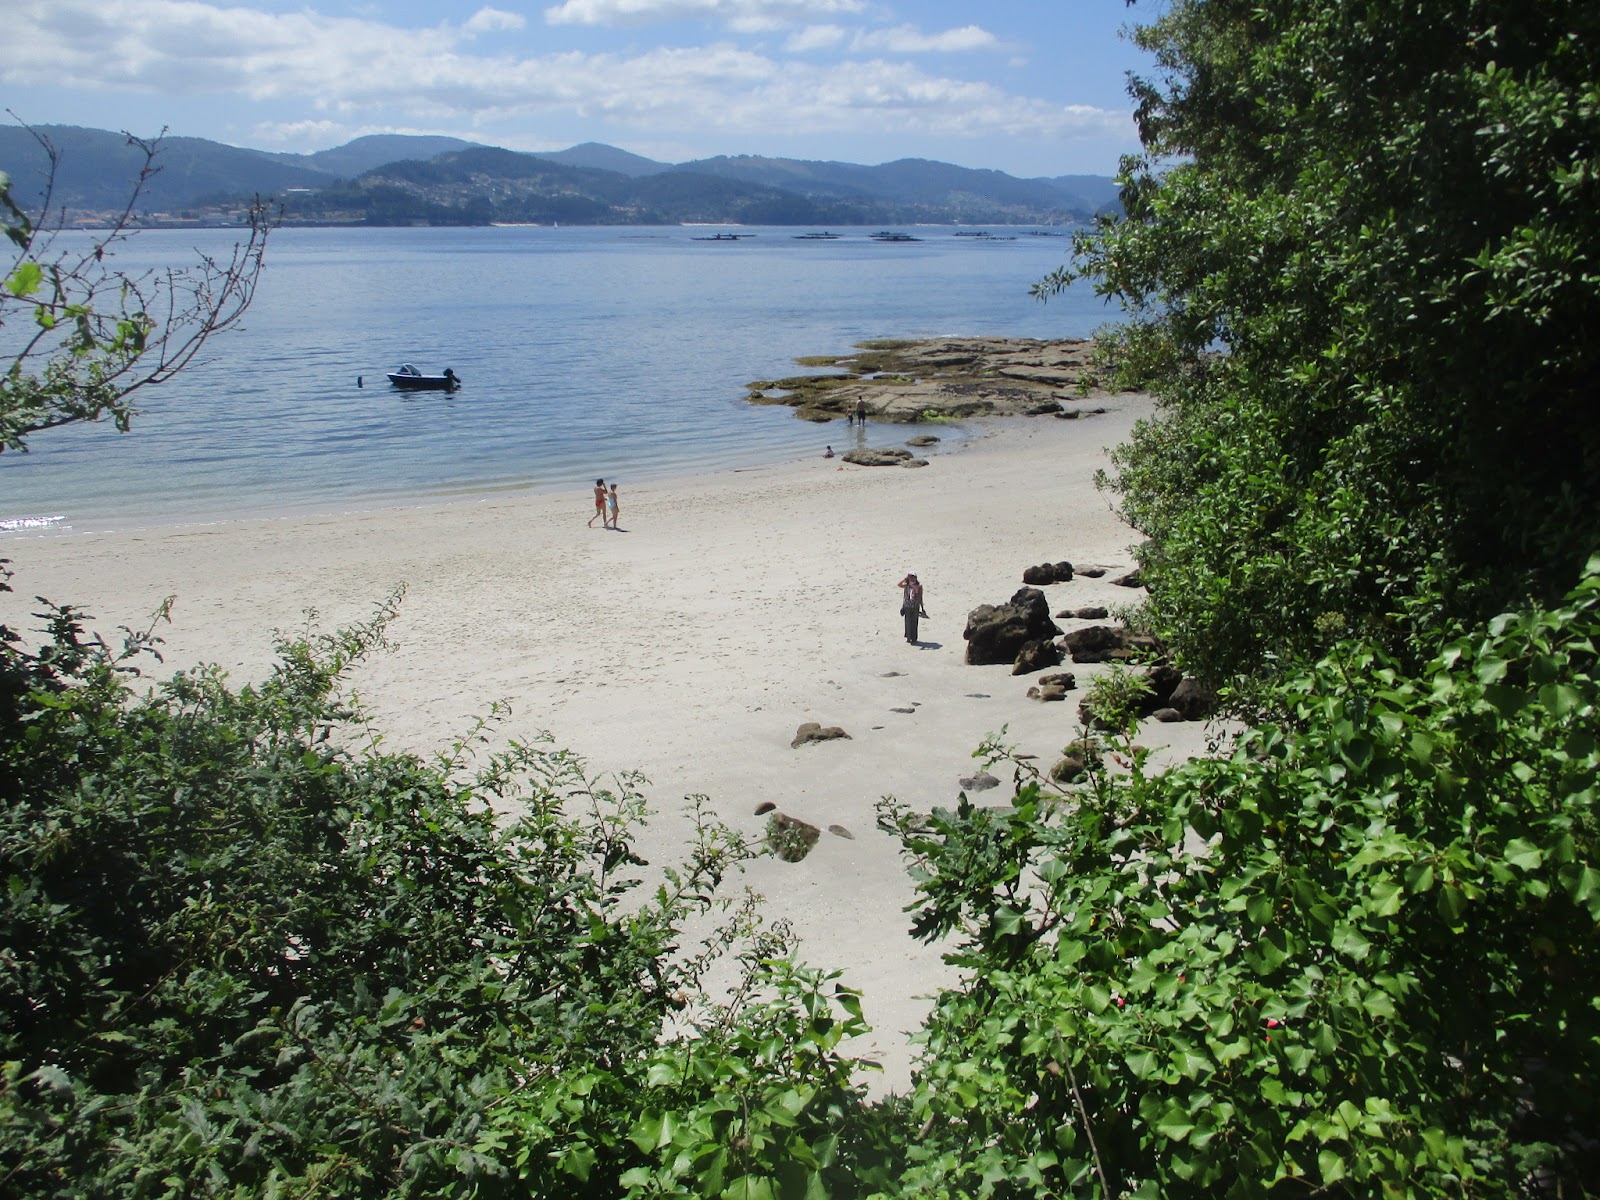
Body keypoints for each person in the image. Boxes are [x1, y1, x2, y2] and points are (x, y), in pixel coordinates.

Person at [898, 573, 928, 644]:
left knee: (914, 623)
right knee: (908, 622)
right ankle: (908, 638)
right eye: (910, 577)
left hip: (915, 606)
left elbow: (920, 597)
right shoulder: (906, 585)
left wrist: (922, 608)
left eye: (913, 577)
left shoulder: (919, 586)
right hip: (907, 606)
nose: (912, 579)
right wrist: (904, 579)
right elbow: (899, 585)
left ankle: (914, 638)